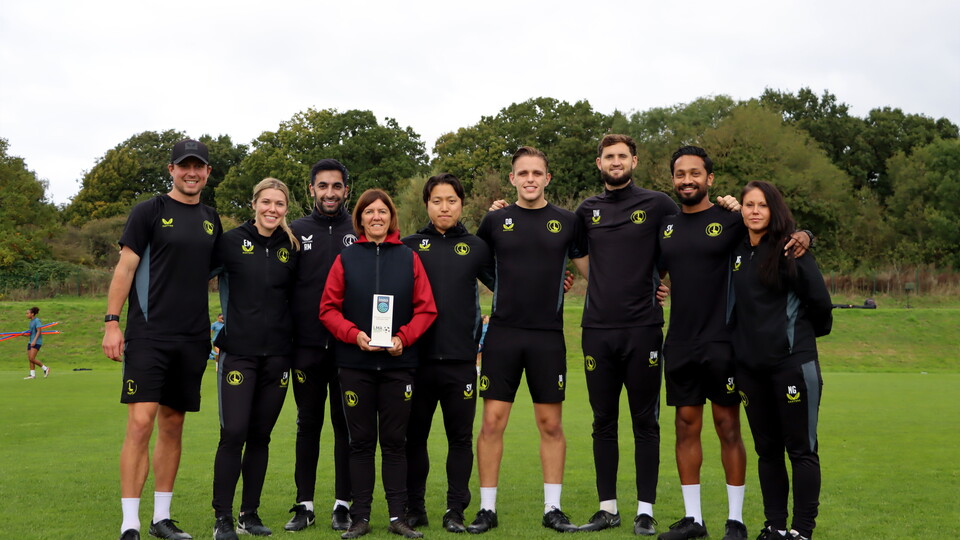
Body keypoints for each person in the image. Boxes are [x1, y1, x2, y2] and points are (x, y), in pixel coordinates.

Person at [656, 146, 809, 540]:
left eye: (695, 173)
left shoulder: (732, 220)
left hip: (724, 343)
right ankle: (694, 521)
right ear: (672, 179)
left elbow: (780, 228)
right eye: (679, 174)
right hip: (680, 342)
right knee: (685, 426)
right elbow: (645, 269)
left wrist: (807, 234)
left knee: (728, 426)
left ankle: (735, 520)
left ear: (710, 178)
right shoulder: (667, 226)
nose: (687, 180)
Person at [102, 139, 222, 540]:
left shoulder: (211, 218)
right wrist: (112, 322)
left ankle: (161, 519)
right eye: (184, 166)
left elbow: (227, 274)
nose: (192, 173)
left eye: (199, 167)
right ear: (171, 169)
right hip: (149, 333)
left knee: (173, 425)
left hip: (192, 338)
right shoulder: (149, 211)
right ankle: (130, 522)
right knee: (140, 422)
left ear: (207, 173)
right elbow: (125, 269)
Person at [468, 146, 585, 534]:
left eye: (538, 173)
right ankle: (487, 509)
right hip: (502, 334)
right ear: (513, 178)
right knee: (492, 422)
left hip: (548, 336)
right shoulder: (495, 220)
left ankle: (553, 508)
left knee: (550, 424)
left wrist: (654, 286)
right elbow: (478, 263)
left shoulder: (567, 222)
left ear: (547, 178)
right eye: (523, 173)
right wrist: (505, 289)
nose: (531, 179)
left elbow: (593, 269)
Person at [573, 134, 680, 536]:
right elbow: (575, 254)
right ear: (599, 163)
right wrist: (603, 283)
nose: (615, 162)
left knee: (645, 422)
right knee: (603, 421)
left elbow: (682, 242)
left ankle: (645, 511)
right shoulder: (586, 211)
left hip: (644, 330)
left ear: (634, 161)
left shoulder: (658, 204)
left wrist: (658, 280)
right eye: (608, 157)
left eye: (622, 156)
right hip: (597, 331)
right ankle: (607, 509)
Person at [320, 189, 438, 539]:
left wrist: (404, 337)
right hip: (355, 365)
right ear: (360, 218)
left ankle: (398, 517)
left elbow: (426, 308)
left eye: (382, 211)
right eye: (369, 212)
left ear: (391, 217)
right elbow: (327, 309)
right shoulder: (346, 258)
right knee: (360, 443)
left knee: (394, 443)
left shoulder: (409, 257)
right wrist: (353, 334)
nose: (376, 217)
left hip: (398, 366)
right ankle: (360, 518)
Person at [730, 181, 832, 540]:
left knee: (801, 450)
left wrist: (797, 342)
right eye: (748, 204)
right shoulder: (738, 251)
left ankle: (801, 531)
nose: (754, 210)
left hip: (792, 365)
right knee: (767, 451)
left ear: (774, 210)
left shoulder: (792, 250)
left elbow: (820, 305)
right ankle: (774, 525)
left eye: (762, 205)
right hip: (750, 371)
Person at [401, 173, 495, 533]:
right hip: (415, 362)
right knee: (414, 438)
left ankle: (455, 510)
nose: (444, 207)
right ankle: (414, 508)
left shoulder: (475, 246)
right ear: (427, 204)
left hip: (460, 362)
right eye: (437, 200)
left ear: (461, 204)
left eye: (451, 200)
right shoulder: (407, 246)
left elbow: (508, 286)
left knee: (459, 439)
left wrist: (559, 282)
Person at [210, 178, 301, 540]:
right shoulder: (231, 242)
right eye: (266, 202)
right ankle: (223, 518)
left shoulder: (291, 247)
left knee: (260, 436)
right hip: (239, 354)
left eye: (279, 204)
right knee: (233, 433)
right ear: (254, 204)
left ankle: (249, 513)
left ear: (286, 210)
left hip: (278, 357)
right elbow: (190, 277)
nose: (272, 210)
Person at [285, 159, 356, 533]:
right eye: (323, 186)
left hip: (349, 350)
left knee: (345, 427)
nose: (330, 193)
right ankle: (304, 504)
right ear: (311, 189)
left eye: (337, 186)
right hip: (306, 350)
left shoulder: (359, 229)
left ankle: (343, 505)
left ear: (347, 189)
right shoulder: (295, 231)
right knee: (307, 425)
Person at [24, 307, 49, 379]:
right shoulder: (31, 322)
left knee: (32, 358)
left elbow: (39, 331)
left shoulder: (37, 320)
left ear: (32, 314)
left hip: (36, 342)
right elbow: (32, 333)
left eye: (28, 313)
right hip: (30, 341)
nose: (26, 315)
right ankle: (32, 375)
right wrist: (25, 335)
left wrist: (34, 341)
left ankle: (45, 368)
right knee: (30, 359)